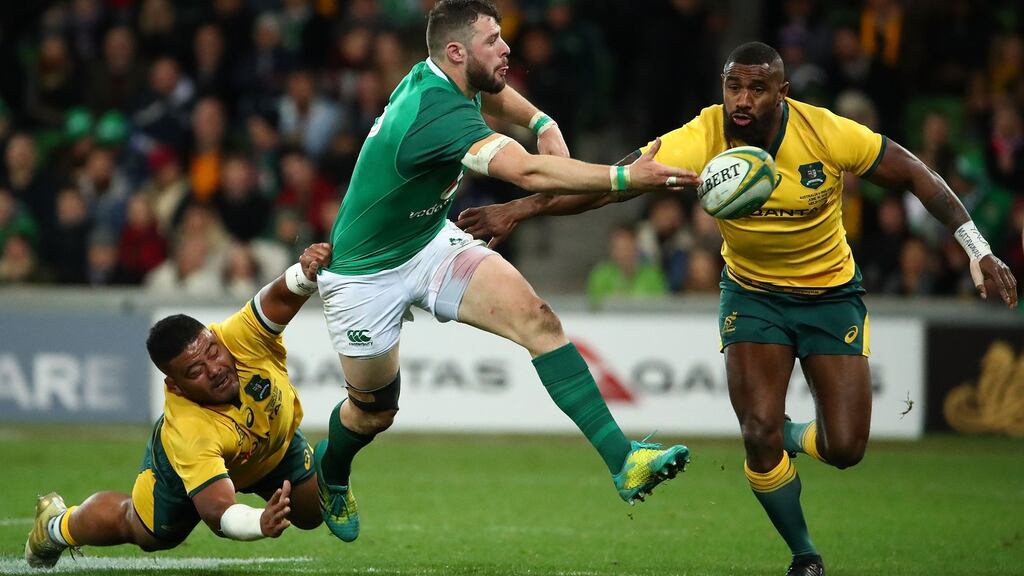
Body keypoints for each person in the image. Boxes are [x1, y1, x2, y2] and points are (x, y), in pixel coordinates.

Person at [455, 41, 1019, 576]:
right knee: (755, 429)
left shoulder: (825, 131)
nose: (742, 100)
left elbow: (917, 174)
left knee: (845, 448)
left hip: (831, 295)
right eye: (733, 87)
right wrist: (519, 210)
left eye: (757, 88)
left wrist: (978, 248)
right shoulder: (701, 135)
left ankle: (789, 433)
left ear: (783, 92)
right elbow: (609, 185)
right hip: (752, 296)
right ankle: (804, 555)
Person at [314, 0, 697, 544]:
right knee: (373, 411)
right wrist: (624, 178)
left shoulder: (440, 76)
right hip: (363, 275)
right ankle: (330, 470)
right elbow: (528, 172)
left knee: (538, 321)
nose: (506, 47)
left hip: (429, 243)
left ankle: (624, 460)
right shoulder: (434, 114)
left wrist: (542, 119)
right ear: (455, 52)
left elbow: (494, 89)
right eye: (492, 39)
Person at [24, 243, 334, 569]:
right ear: (176, 386)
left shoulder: (241, 336)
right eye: (195, 371)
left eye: (212, 353)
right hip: (181, 471)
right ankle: (56, 526)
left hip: (273, 446)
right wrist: (259, 523)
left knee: (312, 513)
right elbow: (218, 511)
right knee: (146, 532)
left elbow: (282, 296)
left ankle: (336, 466)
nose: (213, 369)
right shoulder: (189, 429)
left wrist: (305, 272)